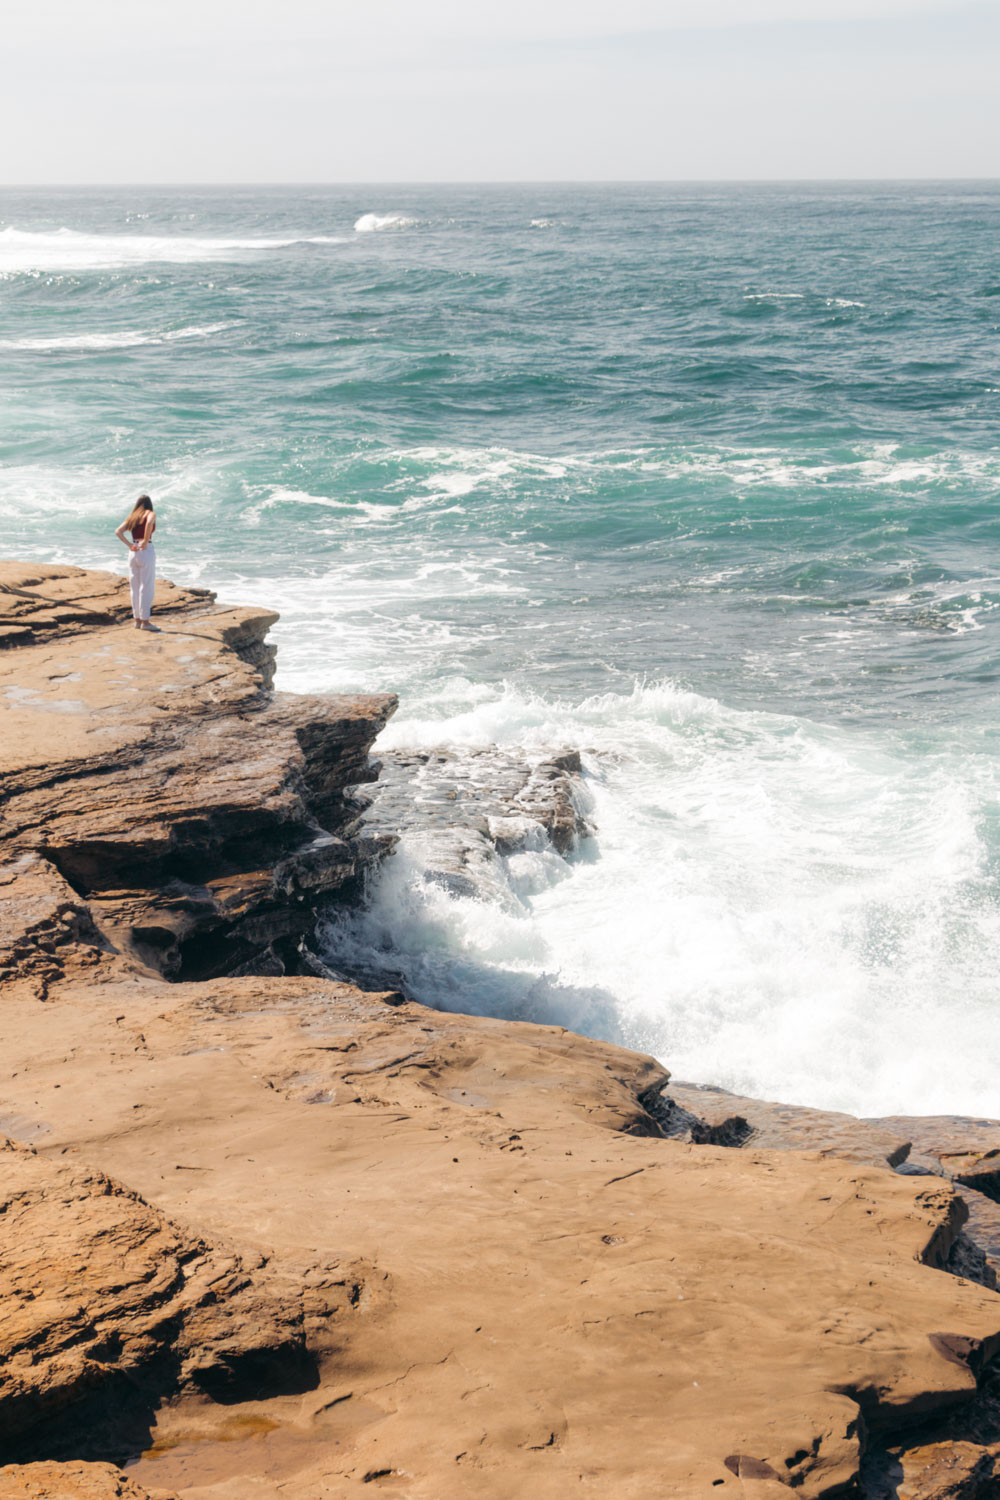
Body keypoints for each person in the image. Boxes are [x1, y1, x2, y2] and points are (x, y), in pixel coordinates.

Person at [115, 494, 157, 630]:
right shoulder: (150, 513)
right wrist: (145, 540)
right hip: (146, 550)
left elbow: (118, 531)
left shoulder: (133, 516)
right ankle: (145, 622)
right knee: (146, 586)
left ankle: (137, 620)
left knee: (135, 586)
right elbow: (150, 522)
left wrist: (129, 545)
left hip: (133, 552)